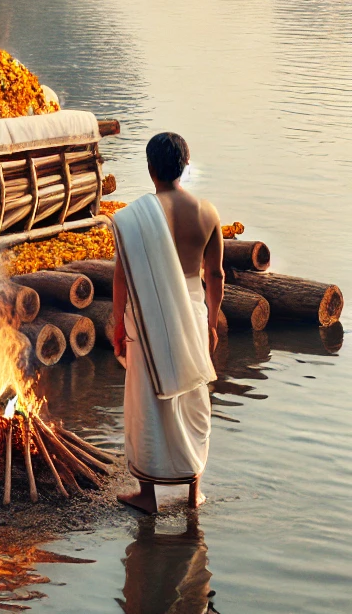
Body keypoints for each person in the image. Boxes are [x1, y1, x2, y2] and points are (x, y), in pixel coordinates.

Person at [112, 132, 222, 515]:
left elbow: (123, 275)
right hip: (193, 310)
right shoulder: (207, 213)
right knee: (192, 396)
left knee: (146, 399)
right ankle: (194, 492)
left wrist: (115, 324)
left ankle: (148, 494)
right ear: (184, 166)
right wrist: (210, 320)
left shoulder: (137, 218)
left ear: (150, 168)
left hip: (145, 314)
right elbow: (216, 274)